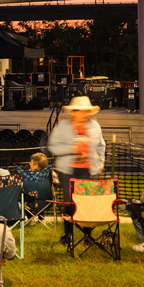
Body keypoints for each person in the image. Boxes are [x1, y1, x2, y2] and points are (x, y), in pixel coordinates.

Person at [47, 95, 106, 247]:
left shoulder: (95, 126)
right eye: (80, 110)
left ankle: (88, 237)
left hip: (88, 170)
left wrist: (101, 162)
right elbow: (52, 146)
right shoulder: (62, 127)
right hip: (68, 171)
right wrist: (71, 149)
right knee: (69, 203)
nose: (84, 113)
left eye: (86, 111)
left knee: (88, 204)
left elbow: (101, 145)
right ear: (73, 111)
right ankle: (68, 236)